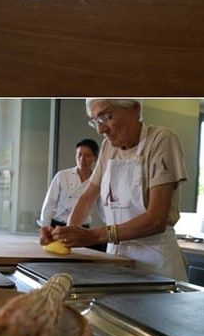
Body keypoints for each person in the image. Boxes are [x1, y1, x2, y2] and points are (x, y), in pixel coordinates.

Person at [41, 99, 189, 281]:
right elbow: (87, 198)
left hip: (156, 262)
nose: (100, 129)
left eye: (105, 116)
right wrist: (66, 236)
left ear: (135, 108)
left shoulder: (161, 140)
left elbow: (156, 220)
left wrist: (93, 235)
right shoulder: (107, 147)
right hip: (117, 259)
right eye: (95, 120)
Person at [38, 138, 99, 228]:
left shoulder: (97, 181)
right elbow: (49, 203)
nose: (82, 159)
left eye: (87, 155)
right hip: (58, 225)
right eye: (79, 155)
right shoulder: (62, 176)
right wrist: (45, 227)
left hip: (82, 228)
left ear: (95, 158)